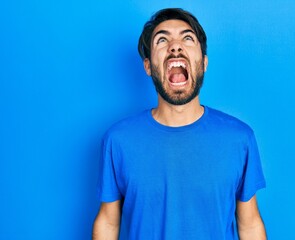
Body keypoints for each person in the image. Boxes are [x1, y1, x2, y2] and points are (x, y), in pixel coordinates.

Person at [92, 8, 266, 240]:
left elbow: (250, 224)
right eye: (162, 40)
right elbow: (108, 222)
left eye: (187, 38)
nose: (175, 46)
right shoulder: (118, 140)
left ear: (203, 63)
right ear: (147, 66)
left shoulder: (239, 138)